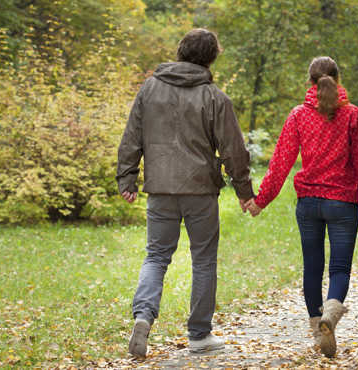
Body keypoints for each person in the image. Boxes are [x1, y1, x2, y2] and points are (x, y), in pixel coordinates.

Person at [116, 28, 254, 358]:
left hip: (160, 189)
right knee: (203, 260)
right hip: (200, 191)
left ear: (180, 51)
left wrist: (127, 178)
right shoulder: (215, 98)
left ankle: (143, 316)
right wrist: (244, 190)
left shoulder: (150, 89)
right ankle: (199, 335)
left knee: (156, 255)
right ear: (211, 58)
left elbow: (132, 136)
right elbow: (233, 149)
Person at [244, 56, 358, 358]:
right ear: (337, 79)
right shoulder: (353, 115)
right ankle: (332, 311)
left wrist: (260, 200)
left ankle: (318, 328)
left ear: (310, 82)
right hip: (342, 203)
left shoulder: (298, 116)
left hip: (309, 204)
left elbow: (280, 163)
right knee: (340, 268)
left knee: (313, 267)